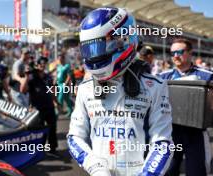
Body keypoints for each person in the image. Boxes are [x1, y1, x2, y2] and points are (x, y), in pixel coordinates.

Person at [67, 7, 173, 176]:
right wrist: (95, 167)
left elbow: (163, 142)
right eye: (90, 49)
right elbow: (74, 137)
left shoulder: (155, 86)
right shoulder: (85, 88)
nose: (94, 55)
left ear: (124, 39)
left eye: (100, 46)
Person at [160, 38, 213, 176]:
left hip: (196, 134)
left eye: (180, 51)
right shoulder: (161, 77)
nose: (175, 56)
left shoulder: (207, 76)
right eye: (173, 53)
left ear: (190, 53)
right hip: (170, 133)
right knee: (168, 171)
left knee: (196, 172)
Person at [28, 56, 58, 153]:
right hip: (37, 108)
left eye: (44, 63)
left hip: (49, 106)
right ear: (37, 65)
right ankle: (39, 150)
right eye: (41, 63)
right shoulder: (32, 77)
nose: (42, 65)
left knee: (52, 128)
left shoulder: (48, 77)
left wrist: (56, 102)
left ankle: (52, 148)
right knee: (39, 130)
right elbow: (23, 90)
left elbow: (52, 91)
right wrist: (25, 75)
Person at [56, 52, 73, 117]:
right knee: (66, 98)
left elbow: (69, 76)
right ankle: (70, 110)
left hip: (64, 84)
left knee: (60, 98)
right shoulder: (58, 66)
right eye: (59, 58)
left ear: (63, 59)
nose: (60, 60)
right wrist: (55, 81)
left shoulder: (67, 66)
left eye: (61, 58)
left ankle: (58, 111)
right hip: (58, 84)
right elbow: (57, 75)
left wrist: (65, 84)